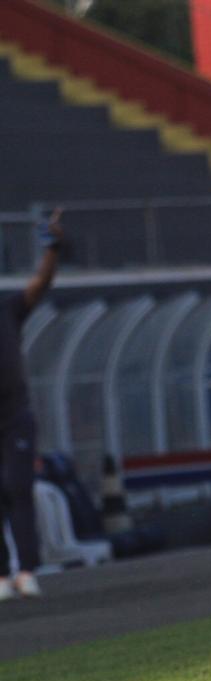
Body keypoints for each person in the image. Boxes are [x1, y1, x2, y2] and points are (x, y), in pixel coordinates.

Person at [0, 210, 63, 602]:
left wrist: (51, 247)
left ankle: (27, 569)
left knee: (19, 488)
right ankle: (3, 574)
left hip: (14, 415)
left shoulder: (7, 308)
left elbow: (41, 283)